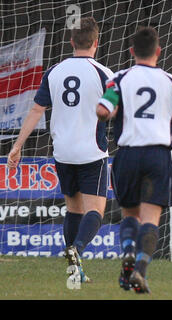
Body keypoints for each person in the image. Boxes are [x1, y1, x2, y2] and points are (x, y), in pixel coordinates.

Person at [7, 17, 113, 289]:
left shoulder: (54, 71)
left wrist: (17, 146)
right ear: (96, 43)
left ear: (71, 42)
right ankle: (76, 247)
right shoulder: (104, 73)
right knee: (96, 212)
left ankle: (74, 271)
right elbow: (116, 110)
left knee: (73, 209)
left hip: (63, 152)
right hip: (91, 152)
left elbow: (36, 110)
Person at [96, 26, 172, 294]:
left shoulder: (120, 79)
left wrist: (109, 111)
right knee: (151, 218)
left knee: (129, 214)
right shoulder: (171, 81)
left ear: (132, 51)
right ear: (158, 52)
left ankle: (127, 253)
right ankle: (141, 270)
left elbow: (103, 110)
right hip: (158, 155)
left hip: (128, 154)